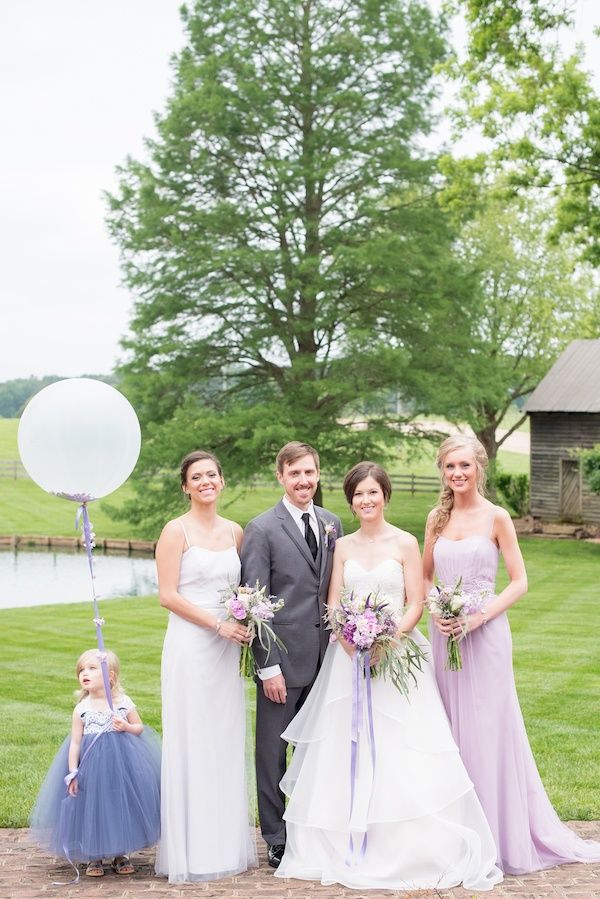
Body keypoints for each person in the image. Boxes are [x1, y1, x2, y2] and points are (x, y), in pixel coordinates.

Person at [274, 461, 503, 891]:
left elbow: (416, 601)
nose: (366, 501)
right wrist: (351, 641)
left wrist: (387, 640)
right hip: (349, 660)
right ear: (351, 501)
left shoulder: (405, 542)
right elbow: (333, 602)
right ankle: (343, 841)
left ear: (385, 496)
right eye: (358, 494)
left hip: (398, 654)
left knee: (405, 746)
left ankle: (409, 843)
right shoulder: (341, 546)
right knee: (346, 746)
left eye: (373, 493)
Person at [423, 433, 600, 874]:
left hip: (485, 636)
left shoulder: (497, 517)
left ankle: (499, 835)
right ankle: (457, 834)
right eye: (450, 467)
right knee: (449, 731)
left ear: (479, 467)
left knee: (489, 730)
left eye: (464, 465)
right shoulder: (435, 519)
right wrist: (438, 609)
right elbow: (423, 578)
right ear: (442, 472)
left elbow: (519, 581)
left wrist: (478, 617)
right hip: (445, 635)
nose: (457, 474)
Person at [154, 450, 257, 883]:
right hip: (192, 647)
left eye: (211, 474)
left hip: (227, 650)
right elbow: (168, 595)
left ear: (222, 480)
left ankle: (223, 844)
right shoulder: (175, 531)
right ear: (185, 485)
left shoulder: (235, 532)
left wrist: (245, 617)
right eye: (196, 477)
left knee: (224, 737)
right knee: (193, 738)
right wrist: (217, 624)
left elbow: (245, 588)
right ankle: (192, 850)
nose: (205, 482)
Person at [240, 441, 343, 868]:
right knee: (271, 751)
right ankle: (276, 835)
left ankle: (309, 825)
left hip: (328, 660)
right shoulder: (261, 529)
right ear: (280, 476)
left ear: (318, 475)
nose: (304, 481)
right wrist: (268, 667)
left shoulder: (332, 523)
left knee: (318, 748)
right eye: (295, 473)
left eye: (310, 473)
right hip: (282, 660)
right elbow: (255, 603)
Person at [30, 648, 161, 877]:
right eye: (81, 669)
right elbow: (75, 743)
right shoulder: (82, 708)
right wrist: (73, 771)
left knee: (118, 803)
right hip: (91, 766)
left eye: (92, 668)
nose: (84, 673)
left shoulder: (122, 702)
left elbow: (139, 727)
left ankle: (121, 853)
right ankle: (95, 856)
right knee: (93, 806)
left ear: (110, 676)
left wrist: (126, 727)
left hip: (121, 765)